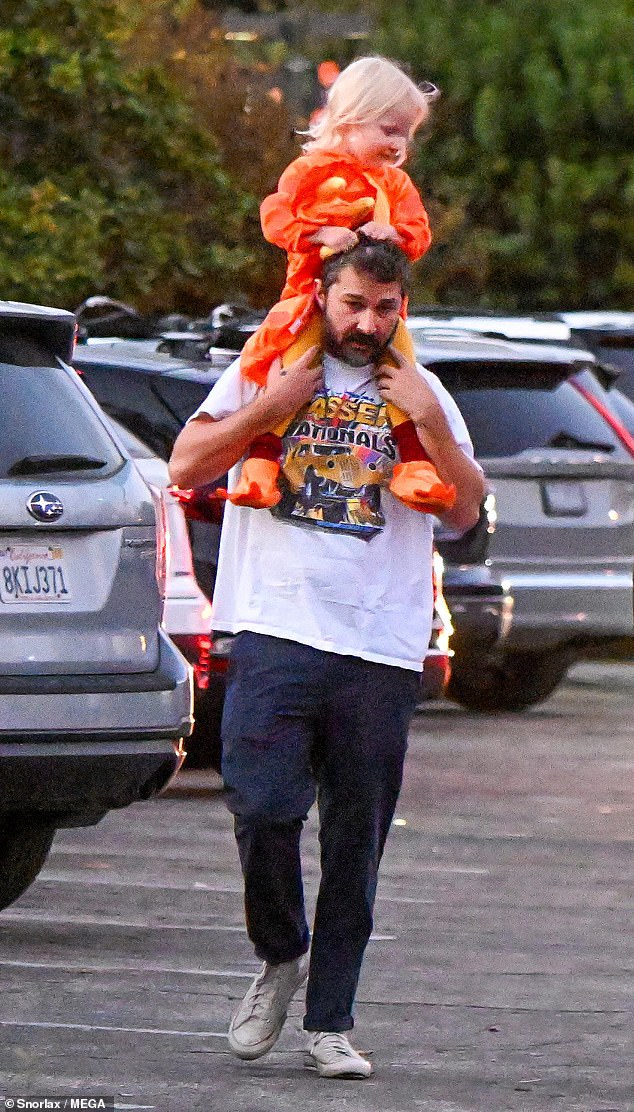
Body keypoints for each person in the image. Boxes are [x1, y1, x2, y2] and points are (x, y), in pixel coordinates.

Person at [169, 238, 485, 1079]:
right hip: (275, 629)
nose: (367, 323)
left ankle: (330, 1021)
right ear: (323, 294)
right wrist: (263, 409)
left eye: (385, 309)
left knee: (356, 842)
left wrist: (423, 417)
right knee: (263, 806)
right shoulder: (271, 365)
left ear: (402, 309)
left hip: (380, 646)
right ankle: (281, 953)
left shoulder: (418, 387)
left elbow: (466, 511)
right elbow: (186, 464)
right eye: (353, 304)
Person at [225, 55, 455, 517]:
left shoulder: (396, 184)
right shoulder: (309, 172)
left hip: (378, 307)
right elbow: (275, 218)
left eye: (405, 133)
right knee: (288, 375)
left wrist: (397, 235)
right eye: (388, 130)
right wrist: (321, 233)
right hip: (307, 304)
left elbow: (419, 232)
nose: (398, 143)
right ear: (350, 120)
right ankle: (262, 464)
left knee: (401, 373)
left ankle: (414, 465)